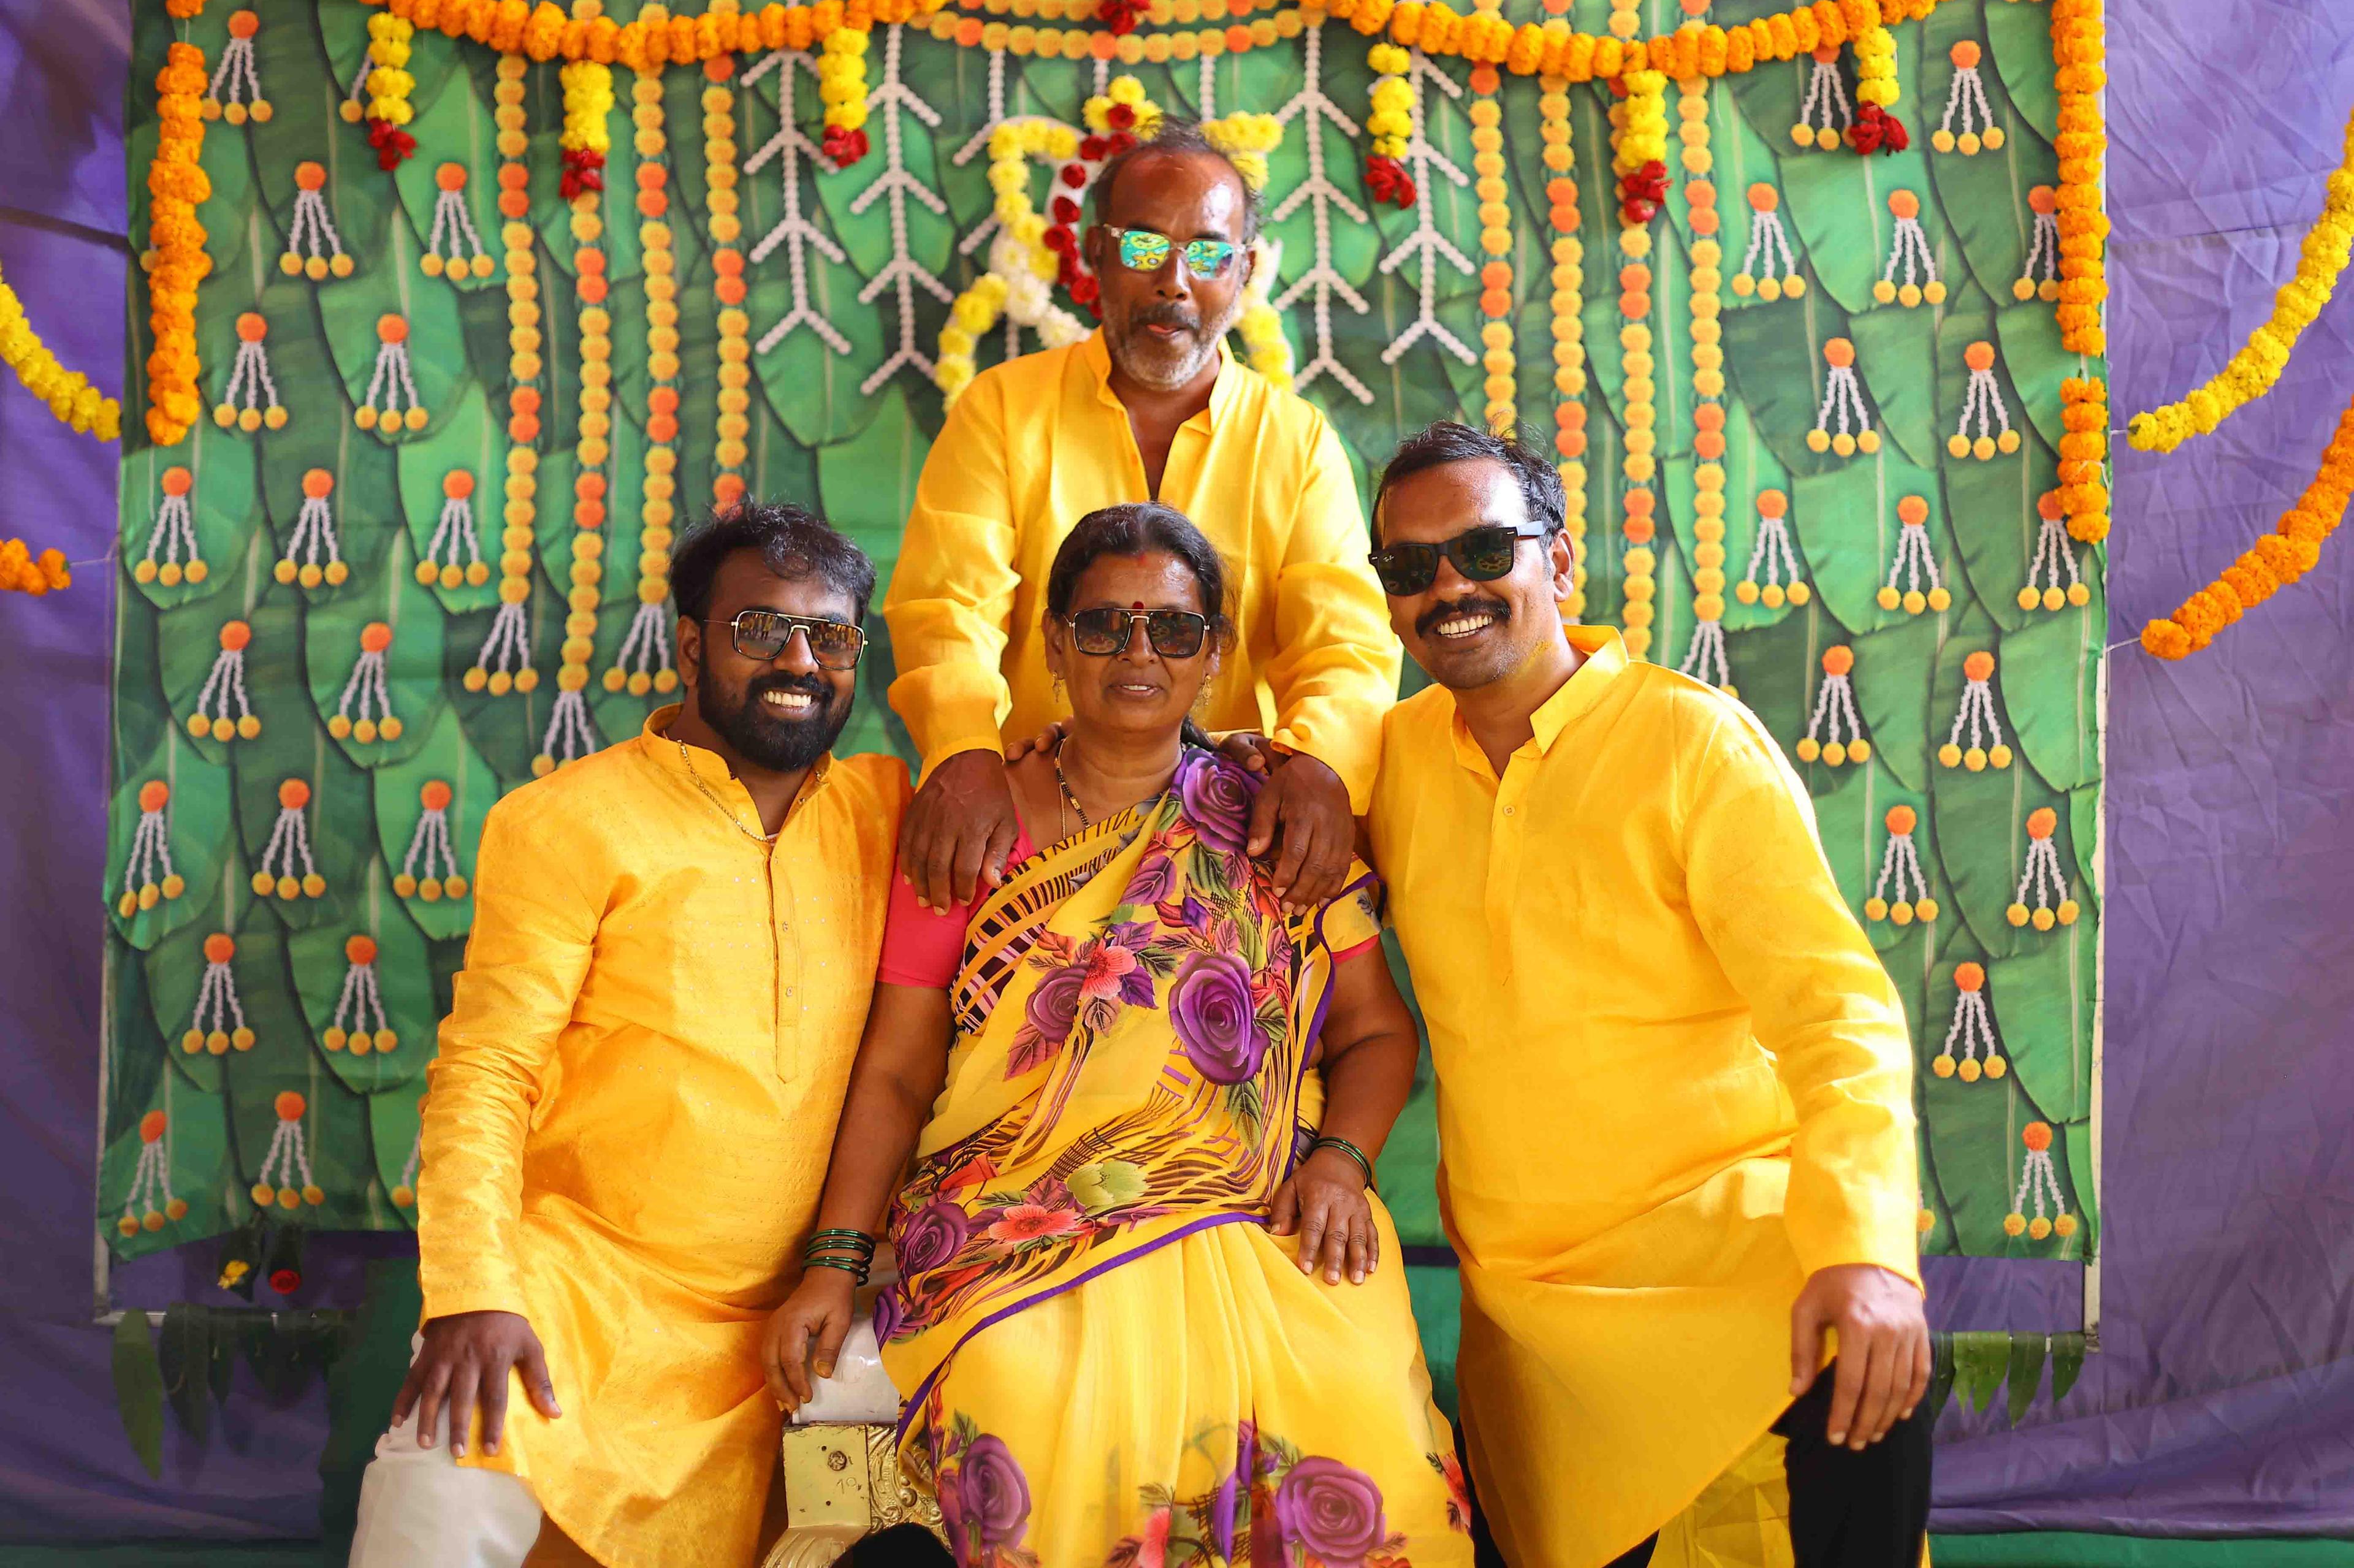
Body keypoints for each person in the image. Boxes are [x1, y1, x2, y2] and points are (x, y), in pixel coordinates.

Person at [764, 503, 1472, 1566]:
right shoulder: (972, 823)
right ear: (1053, 644)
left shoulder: (1281, 819)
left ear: (1214, 653)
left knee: (1359, 1394)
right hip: (1011, 1218)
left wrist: (1339, 1163)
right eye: (1103, 627)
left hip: (1256, 1201)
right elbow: (902, 1067)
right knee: (1029, 1387)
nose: (1138, 653)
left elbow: (1376, 1034)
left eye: (1174, 630)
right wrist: (834, 1262)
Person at [1357, 423, 1930, 1568]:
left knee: (1881, 1354)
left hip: (1718, 1244)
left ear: (1559, 564)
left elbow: (1839, 1016)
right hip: (1531, 1299)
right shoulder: (1396, 757)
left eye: (1482, 550)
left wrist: (1868, 1251)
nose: (1449, 590)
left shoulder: (1690, 742)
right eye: (1411, 570)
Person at [346, 503, 912, 1568]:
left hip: (811, 1301)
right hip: (594, 1285)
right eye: (761, 631)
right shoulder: (569, 820)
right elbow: (487, 1069)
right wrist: (471, 1292)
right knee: (441, 1474)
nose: (801, 661)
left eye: (831, 637)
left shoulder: (890, 809)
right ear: (691, 645)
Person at [885, 117, 1398, 921]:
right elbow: (949, 609)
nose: (1174, 282)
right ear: (1092, 255)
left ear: (1246, 271)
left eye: (1207, 253)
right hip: (1028, 835)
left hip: (1229, 847)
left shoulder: (1295, 443)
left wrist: (1322, 766)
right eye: (1142, 247)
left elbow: (1346, 646)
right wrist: (963, 751)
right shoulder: (1003, 411)